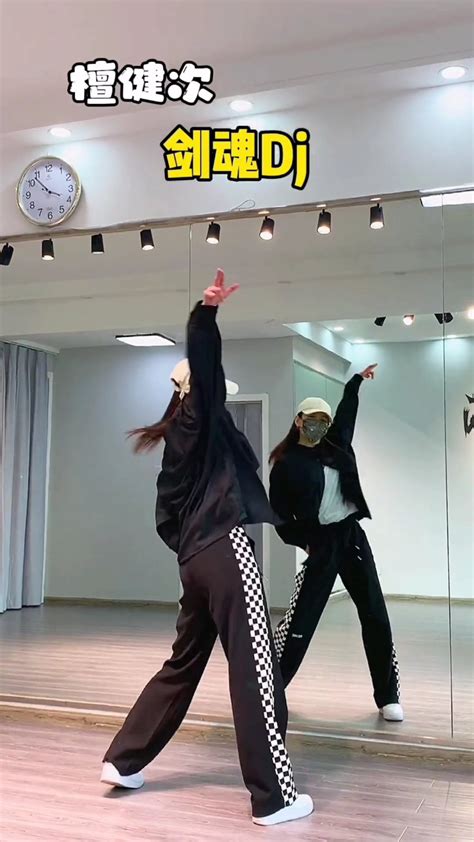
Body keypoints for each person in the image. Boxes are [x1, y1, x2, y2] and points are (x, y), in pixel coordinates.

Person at [100, 270, 313, 827]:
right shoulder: (200, 418)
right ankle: (274, 796)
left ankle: (124, 760)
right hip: (224, 549)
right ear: (197, 390)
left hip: (196, 560)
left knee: (184, 661)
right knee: (256, 664)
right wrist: (206, 314)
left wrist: (194, 551)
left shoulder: (179, 440)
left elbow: (166, 515)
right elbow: (206, 365)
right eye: (215, 387)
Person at [269, 366, 403, 723]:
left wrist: (355, 382)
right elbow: (279, 515)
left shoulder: (337, 445)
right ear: (299, 420)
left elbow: (347, 411)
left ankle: (388, 696)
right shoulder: (285, 464)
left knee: (375, 614)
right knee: (300, 621)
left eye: (325, 421)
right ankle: (270, 690)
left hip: (351, 537)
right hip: (320, 542)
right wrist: (305, 542)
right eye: (313, 419)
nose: (320, 425)